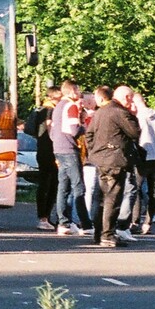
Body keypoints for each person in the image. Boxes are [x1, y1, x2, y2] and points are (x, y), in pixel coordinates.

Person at [83, 86, 139, 247]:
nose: (131, 101)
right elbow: (135, 132)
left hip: (101, 159)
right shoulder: (120, 112)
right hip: (115, 160)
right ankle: (107, 235)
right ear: (126, 97)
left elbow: (89, 133)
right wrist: (133, 115)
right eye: (130, 98)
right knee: (112, 198)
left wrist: (96, 151)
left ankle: (99, 233)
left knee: (102, 198)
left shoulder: (101, 111)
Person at [50, 79, 90, 235]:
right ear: (72, 91)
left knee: (63, 187)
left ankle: (64, 222)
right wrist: (85, 125)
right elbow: (74, 130)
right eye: (78, 90)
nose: (79, 93)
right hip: (69, 149)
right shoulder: (71, 106)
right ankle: (86, 224)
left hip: (58, 148)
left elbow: (53, 131)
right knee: (78, 187)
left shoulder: (58, 106)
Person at [131, 90, 155, 237]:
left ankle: (134, 221)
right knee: (153, 191)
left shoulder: (137, 117)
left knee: (136, 189)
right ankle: (148, 221)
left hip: (142, 156)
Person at [28, 85, 59, 228]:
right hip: (50, 151)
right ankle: (44, 217)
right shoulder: (51, 110)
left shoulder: (40, 109)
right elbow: (49, 127)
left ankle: (43, 216)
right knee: (51, 184)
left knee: (44, 183)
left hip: (42, 149)